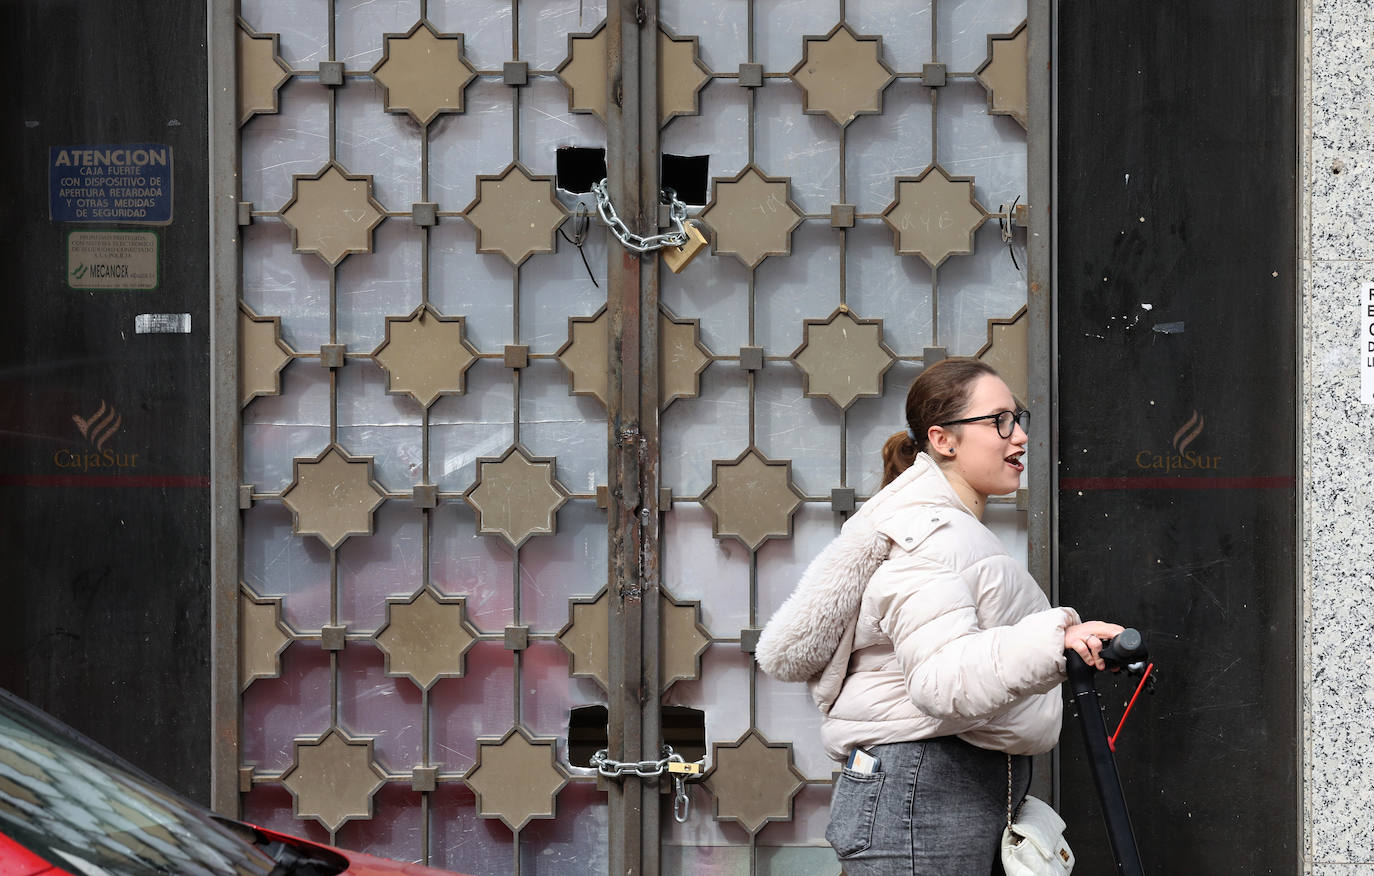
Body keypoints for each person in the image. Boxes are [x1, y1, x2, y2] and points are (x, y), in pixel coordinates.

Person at [755, 357, 1121, 875]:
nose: (1019, 436)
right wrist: (1054, 641)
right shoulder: (927, 538)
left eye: (1018, 419)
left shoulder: (949, 532)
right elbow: (940, 679)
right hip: (922, 797)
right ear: (943, 440)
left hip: (938, 793)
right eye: (999, 421)